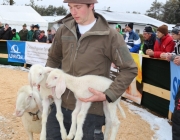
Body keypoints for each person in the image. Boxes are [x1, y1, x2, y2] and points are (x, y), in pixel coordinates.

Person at [45, 0, 137, 140]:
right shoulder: (63, 31)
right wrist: (46, 82)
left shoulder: (111, 36)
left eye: (78, 7)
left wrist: (109, 94)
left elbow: (129, 69)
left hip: (91, 112)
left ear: (91, 5)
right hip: (60, 106)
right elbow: (53, 59)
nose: (73, 12)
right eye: (70, 7)